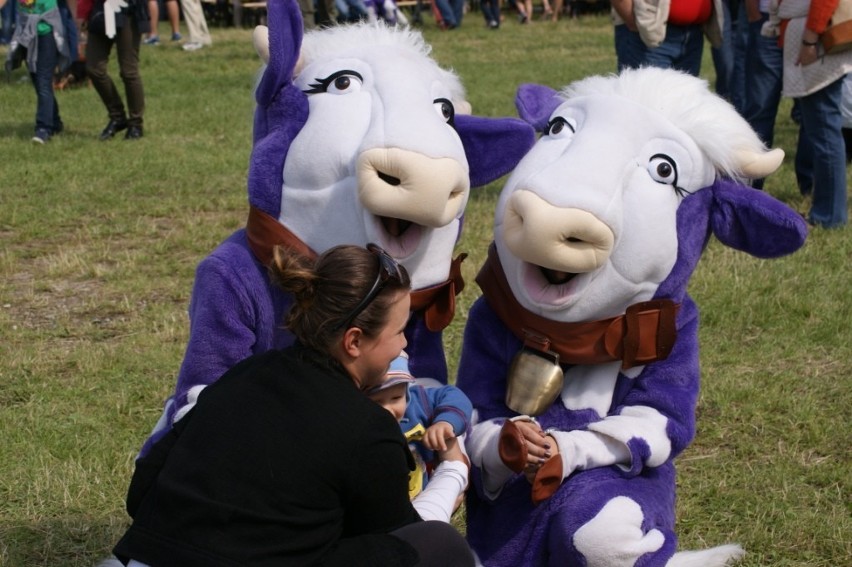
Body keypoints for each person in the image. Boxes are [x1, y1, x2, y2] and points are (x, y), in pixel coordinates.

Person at [112, 243, 476, 567]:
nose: (403, 347)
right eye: (398, 332)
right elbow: (407, 540)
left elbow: (141, 490)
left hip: (146, 556)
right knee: (441, 546)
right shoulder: (367, 430)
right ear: (353, 341)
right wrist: (452, 476)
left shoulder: (244, 376)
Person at [366, 351, 471, 521]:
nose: (388, 409)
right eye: (376, 401)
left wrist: (445, 422)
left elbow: (454, 396)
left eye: (395, 398)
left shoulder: (417, 404)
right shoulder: (358, 426)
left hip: (422, 496)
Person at [778, 0, 851, 227]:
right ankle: (829, 211)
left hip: (818, 40)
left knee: (824, 131)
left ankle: (829, 216)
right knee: (823, 130)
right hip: (815, 37)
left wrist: (810, 39)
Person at [78, 0, 149, 140]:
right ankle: (118, 117)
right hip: (100, 10)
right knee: (93, 68)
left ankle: (135, 123)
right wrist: (83, 12)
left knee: (129, 72)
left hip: (128, 10)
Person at [9, 0, 70, 143]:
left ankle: (43, 128)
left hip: (47, 31)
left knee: (43, 81)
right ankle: (55, 122)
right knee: (37, 80)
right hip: (26, 30)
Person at [610, 0, 724, 76]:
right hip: (647, 32)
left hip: (693, 34)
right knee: (645, 104)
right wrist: (633, 20)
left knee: (683, 106)